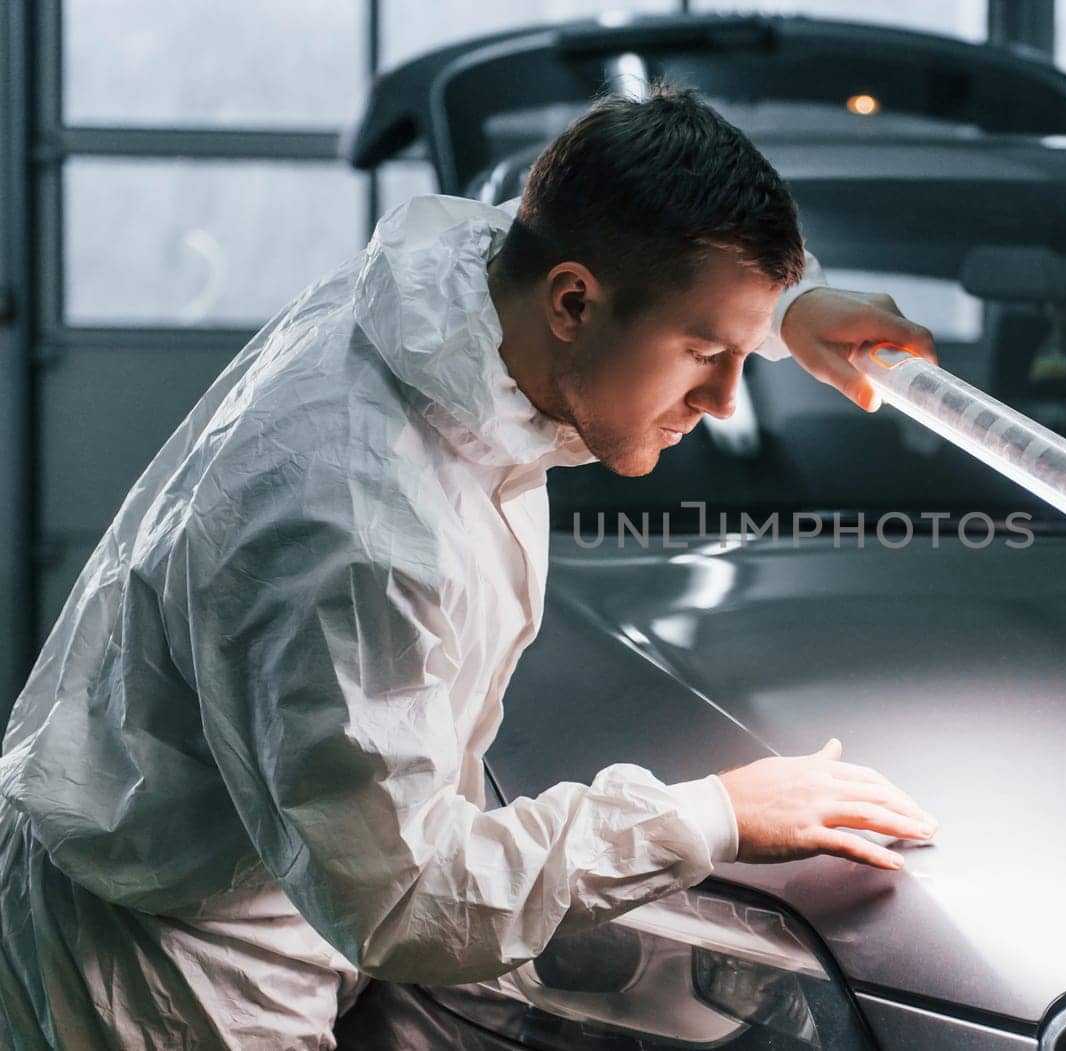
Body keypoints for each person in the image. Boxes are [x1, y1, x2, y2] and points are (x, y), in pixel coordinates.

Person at [0, 84, 938, 1048]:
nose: (727, 398)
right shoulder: (364, 520)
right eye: (706, 351)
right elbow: (401, 895)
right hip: (175, 966)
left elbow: (628, 246)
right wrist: (711, 815)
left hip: (265, 879)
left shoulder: (473, 285)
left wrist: (790, 310)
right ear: (573, 301)